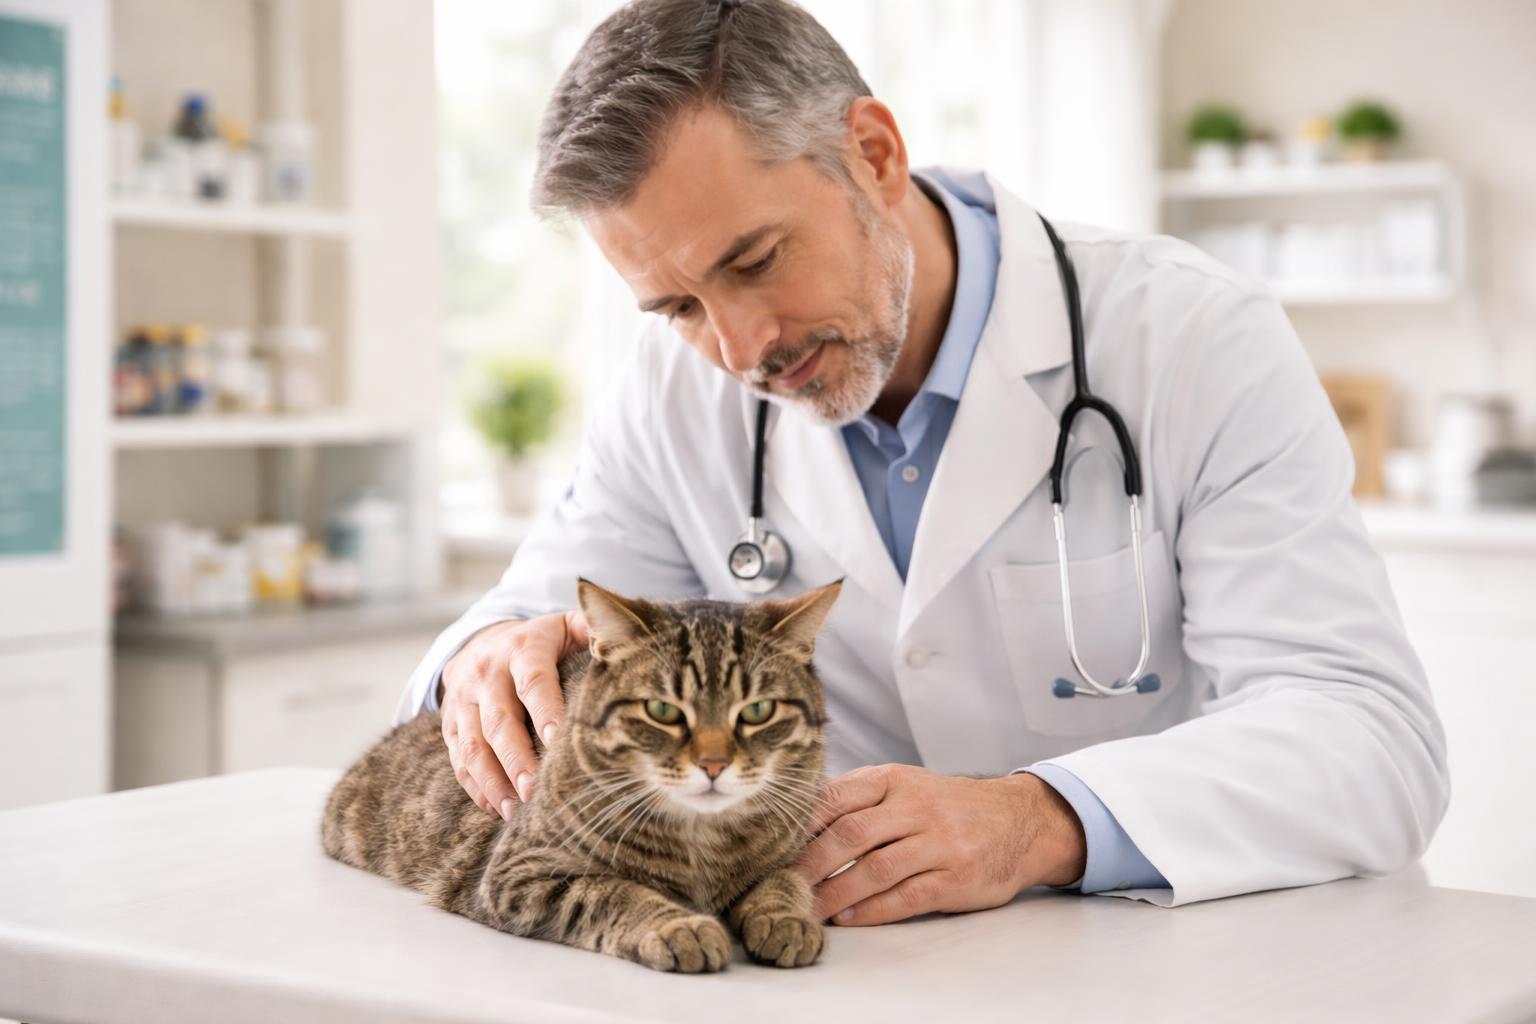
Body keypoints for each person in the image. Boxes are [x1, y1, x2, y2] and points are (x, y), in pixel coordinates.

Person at [396, 0, 1447, 923]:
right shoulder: (674, 391)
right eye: (677, 306)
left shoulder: (1188, 336)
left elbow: (1369, 739)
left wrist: (1039, 820)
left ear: (875, 152)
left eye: (756, 260)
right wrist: (487, 658)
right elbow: (527, 610)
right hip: (848, 972)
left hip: (1166, 965)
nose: (737, 347)